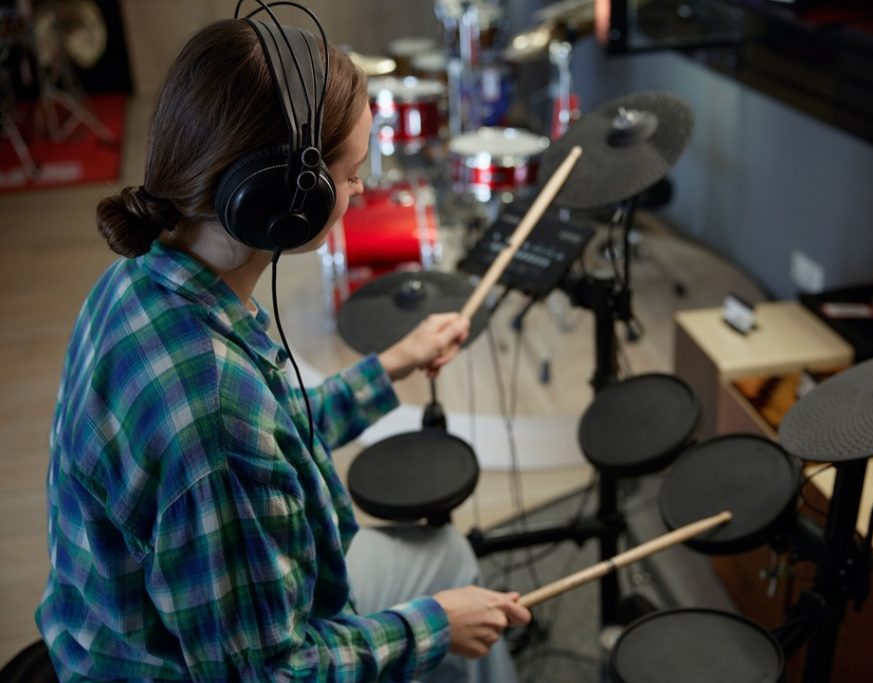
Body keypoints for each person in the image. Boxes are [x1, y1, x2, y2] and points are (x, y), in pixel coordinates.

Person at [36, 15, 530, 682]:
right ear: (283, 198)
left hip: (123, 628)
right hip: (201, 663)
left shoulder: (140, 274)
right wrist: (436, 625)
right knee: (450, 574)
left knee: (441, 563)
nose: (359, 190)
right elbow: (270, 673)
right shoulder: (215, 416)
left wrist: (390, 365)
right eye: (350, 173)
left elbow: (270, 436)